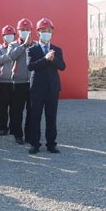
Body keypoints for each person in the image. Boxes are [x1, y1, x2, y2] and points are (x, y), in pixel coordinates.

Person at [27, 18, 66, 154]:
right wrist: (45, 59)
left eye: (49, 31)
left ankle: (51, 144)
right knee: (35, 117)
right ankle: (34, 144)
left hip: (52, 88)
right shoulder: (32, 49)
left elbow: (62, 66)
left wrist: (53, 59)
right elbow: (30, 66)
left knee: (51, 117)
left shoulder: (57, 49)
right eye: (43, 31)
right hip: (37, 88)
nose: (46, 33)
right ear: (38, 32)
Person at [9, 18, 35, 144]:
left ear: (31, 31)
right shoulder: (13, 45)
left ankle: (29, 134)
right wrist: (23, 45)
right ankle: (17, 134)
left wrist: (29, 45)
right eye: (22, 30)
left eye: (27, 30)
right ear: (18, 31)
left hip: (32, 82)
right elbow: (11, 56)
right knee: (17, 110)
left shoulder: (35, 44)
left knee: (31, 110)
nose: (25, 32)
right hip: (18, 83)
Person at [0, 25, 16, 136]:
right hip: (2, 82)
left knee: (14, 107)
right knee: (2, 107)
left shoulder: (18, 47)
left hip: (15, 82)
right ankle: (3, 127)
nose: (9, 37)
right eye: (7, 35)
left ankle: (13, 127)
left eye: (11, 35)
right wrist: (10, 53)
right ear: (3, 37)